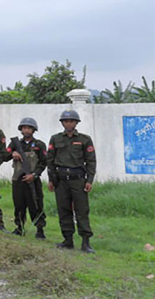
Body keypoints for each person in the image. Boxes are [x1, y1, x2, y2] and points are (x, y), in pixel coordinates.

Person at [47, 109, 97, 254]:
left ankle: (85, 242)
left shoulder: (84, 139)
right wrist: (51, 179)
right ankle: (67, 240)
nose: (68, 123)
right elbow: (50, 160)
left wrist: (89, 180)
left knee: (81, 210)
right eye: (66, 121)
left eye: (71, 121)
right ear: (62, 123)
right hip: (61, 180)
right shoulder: (55, 139)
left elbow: (91, 161)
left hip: (78, 180)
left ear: (76, 123)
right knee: (63, 210)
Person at [3, 117, 47, 238]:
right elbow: (4, 155)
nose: (26, 130)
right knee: (19, 204)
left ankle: (40, 229)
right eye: (24, 128)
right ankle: (19, 227)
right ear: (21, 130)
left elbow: (44, 163)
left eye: (29, 128)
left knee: (36, 204)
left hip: (33, 180)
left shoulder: (39, 145)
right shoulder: (15, 144)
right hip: (18, 179)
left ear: (33, 130)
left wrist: (34, 175)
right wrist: (12, 154)